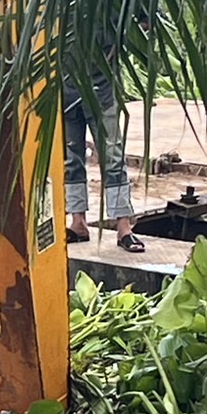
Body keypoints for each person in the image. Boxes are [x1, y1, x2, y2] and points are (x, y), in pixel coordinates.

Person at [63, 23, 145, 253]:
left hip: (102, 90)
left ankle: (123, 227)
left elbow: (145, 19)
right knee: (70, 157)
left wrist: (118, 43)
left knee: (112, 155)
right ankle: (78, 222)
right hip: (66, 88)